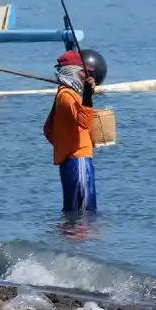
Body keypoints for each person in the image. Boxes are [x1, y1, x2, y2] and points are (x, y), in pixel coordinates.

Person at [43, 50, 98, 213]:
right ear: (73, 72)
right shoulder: (67, 96)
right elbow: (84, 122)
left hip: (71, 160)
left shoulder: (66, 93)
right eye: (84, 72)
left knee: (73, 210)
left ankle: (69, 231)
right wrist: (87, 96)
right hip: (78, 159)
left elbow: (48, 129)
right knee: (85, 211)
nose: (87, 76)